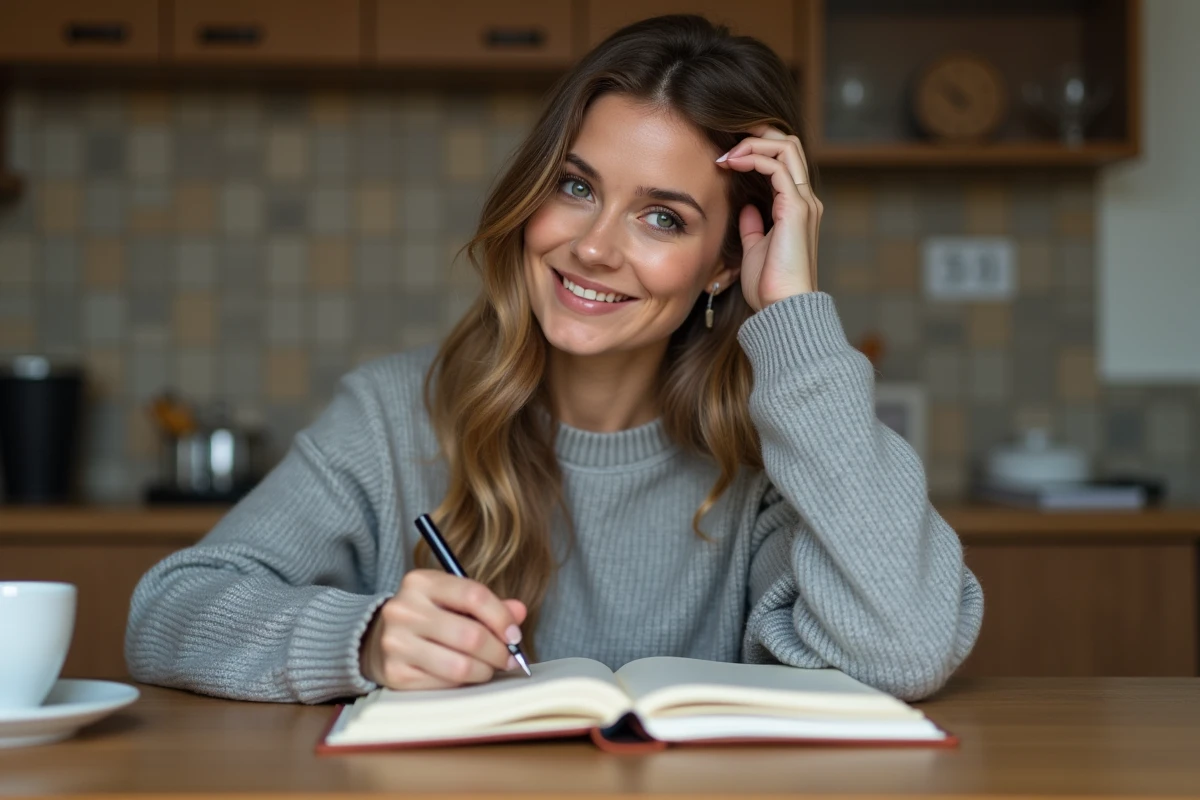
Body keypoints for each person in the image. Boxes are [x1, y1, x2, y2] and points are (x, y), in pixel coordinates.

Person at [126, 14, 983, 704]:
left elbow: (905, 648)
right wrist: (365, 641)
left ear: (726, 262)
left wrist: (792, 314)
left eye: (663, 218)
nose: (595, 248)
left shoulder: (777, 459)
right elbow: (167, 613)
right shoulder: (393, 414)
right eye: (576, 187)